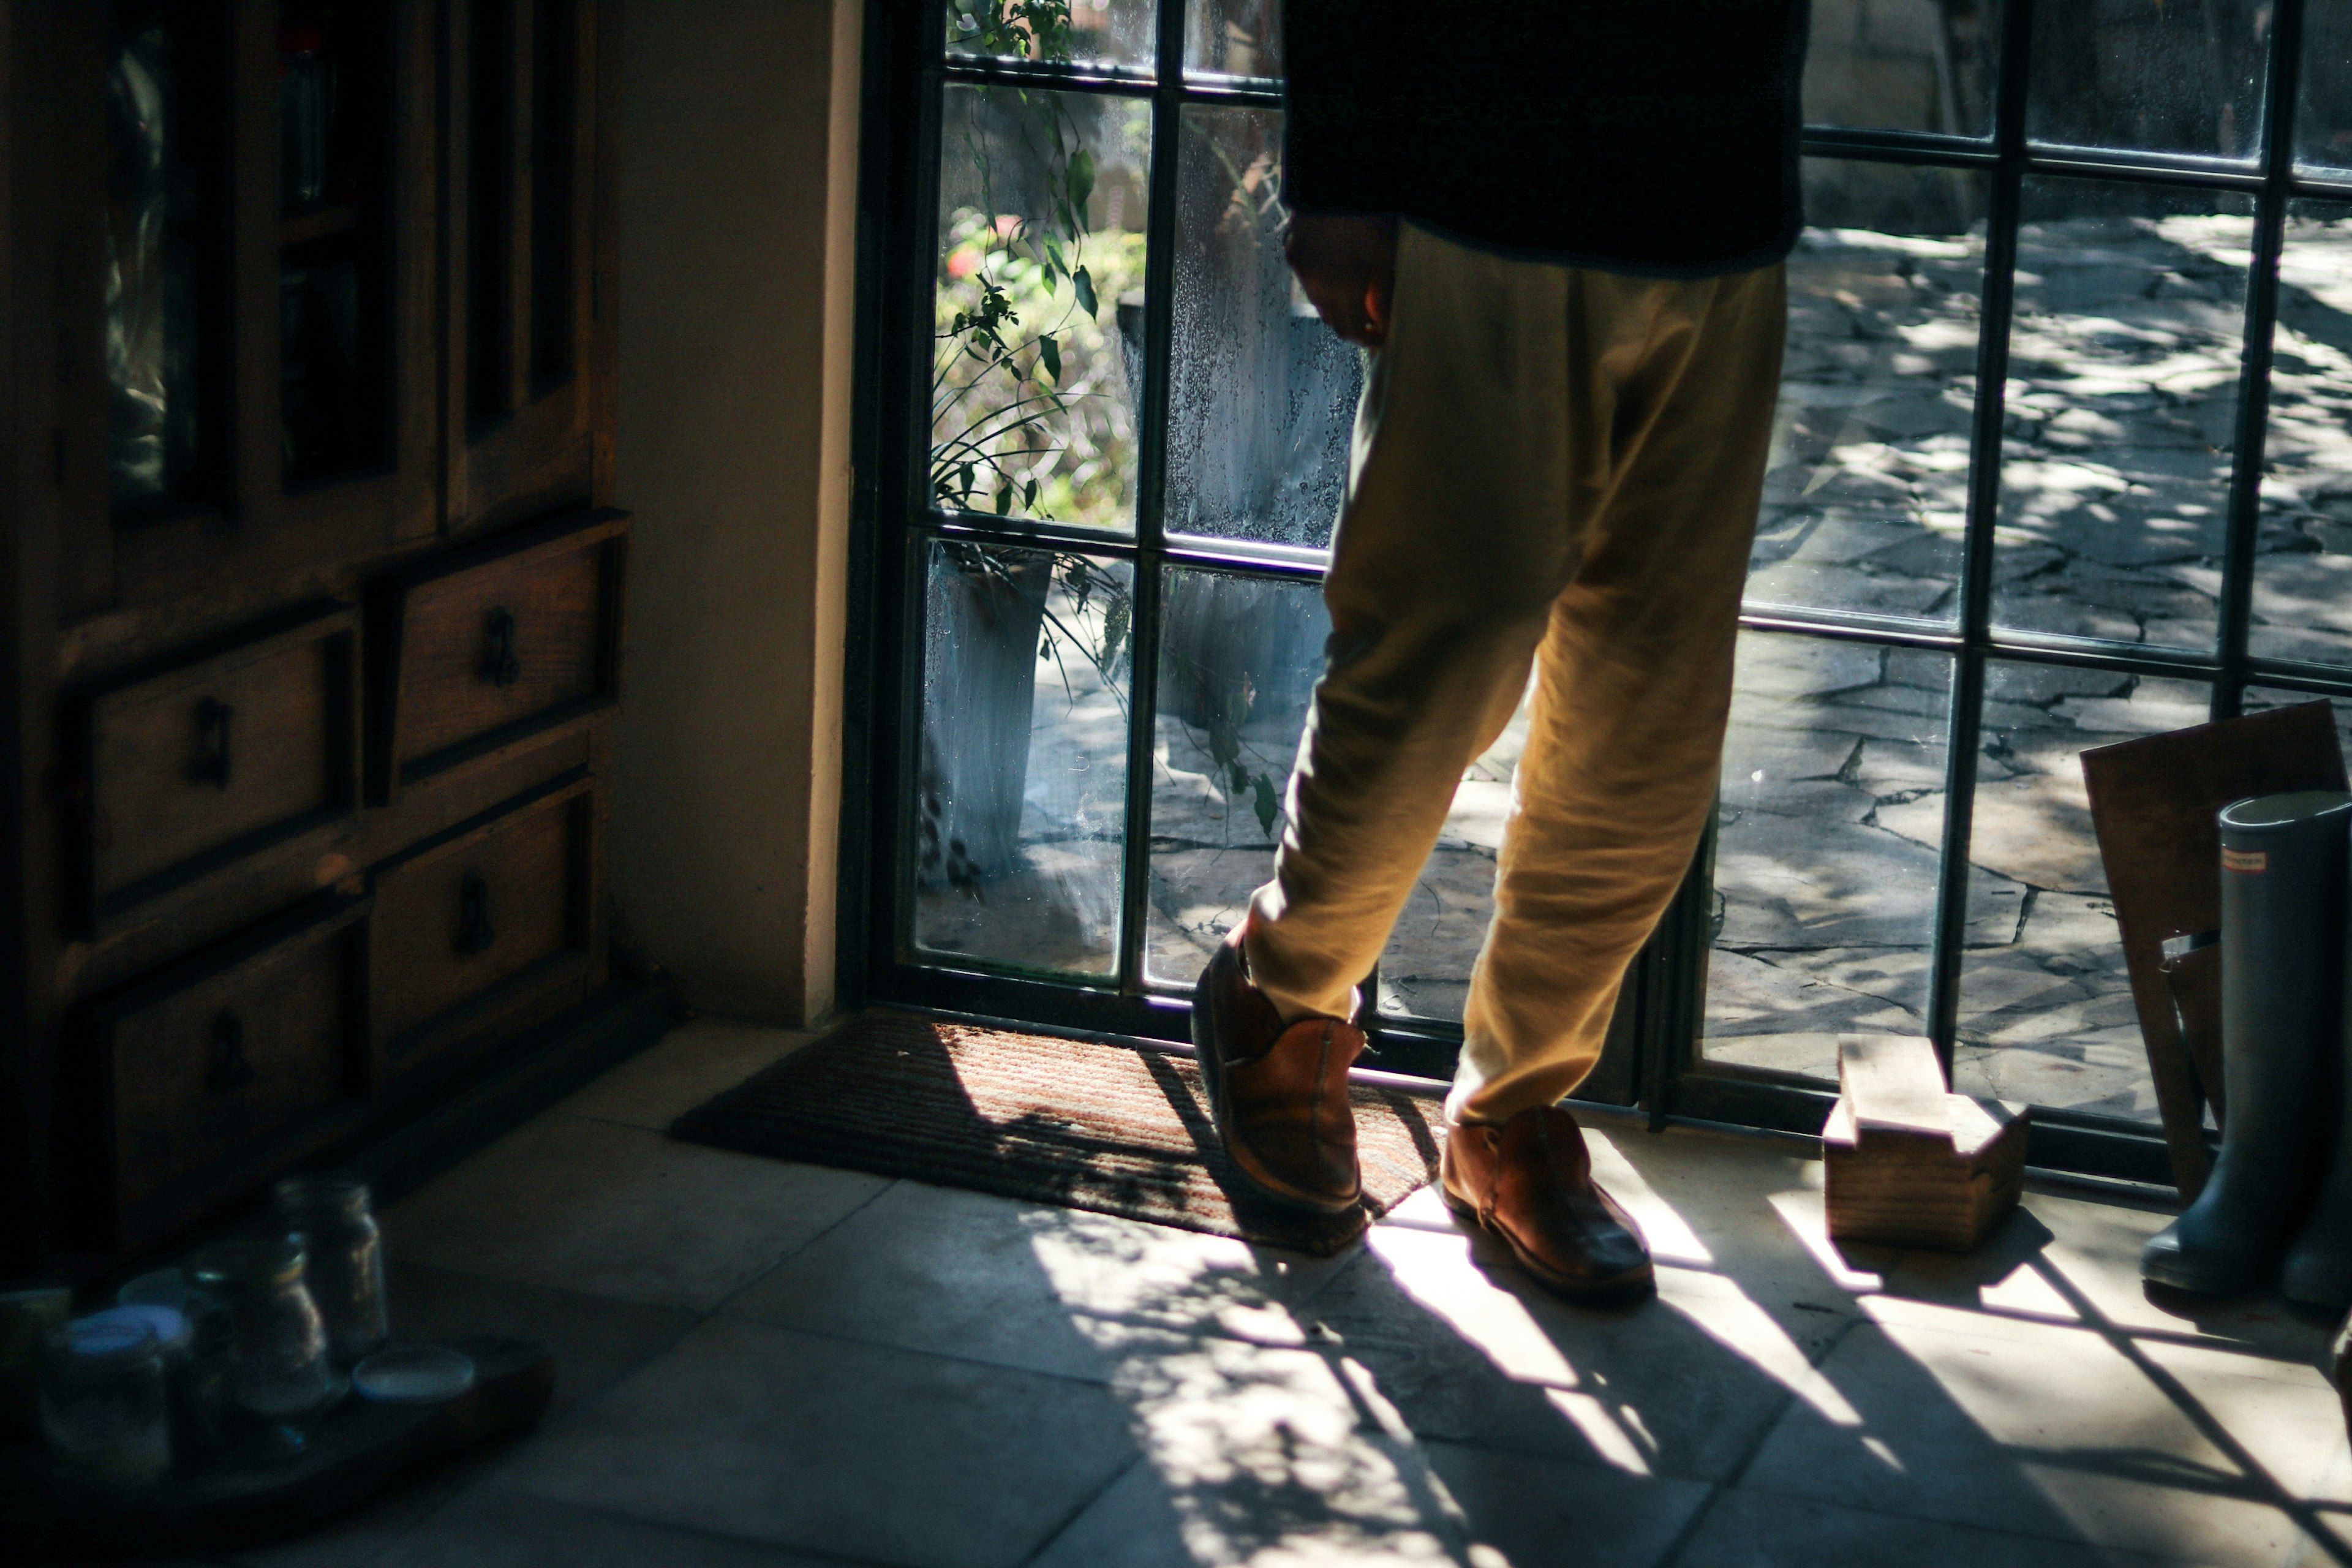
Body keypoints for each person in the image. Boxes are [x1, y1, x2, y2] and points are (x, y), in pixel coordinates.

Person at [1193, 0, 1812, 1302]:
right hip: (1489, 190)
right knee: (1436, 660)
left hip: (1723, 200)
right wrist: (1344, 182)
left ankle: (1511, 1110)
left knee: (1650, 718)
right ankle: (1280, 1003)